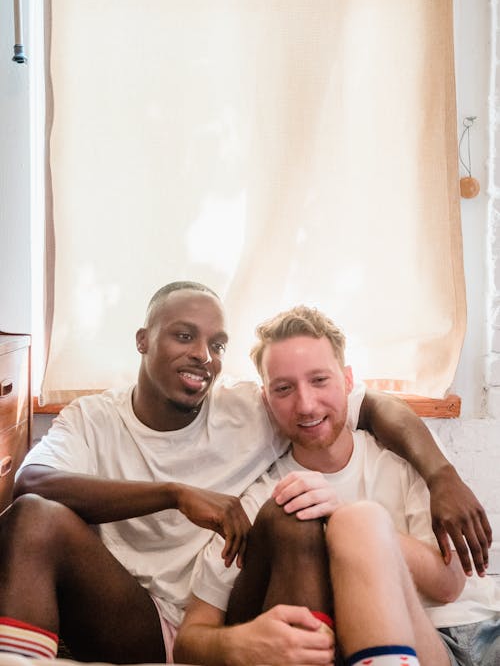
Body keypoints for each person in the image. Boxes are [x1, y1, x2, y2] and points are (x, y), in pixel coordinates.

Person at [0, 283, 492, 664]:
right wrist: (174, 494)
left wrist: (442, 475)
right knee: (33, 517)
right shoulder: (92, 419)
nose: (203, 355)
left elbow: (374, 406)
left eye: (217, 344)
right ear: (143, 339)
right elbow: (31, 483)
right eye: (184, 335)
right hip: (129, 614)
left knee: (315, 512)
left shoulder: (254, 409)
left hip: (244, 606)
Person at [174, 305, 500, 666]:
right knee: (355, 524)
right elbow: (189, 638)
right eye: (284, 389)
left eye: (319, 380)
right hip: (399, 648)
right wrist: (241, 642)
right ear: (266, 400)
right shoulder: (265, 499)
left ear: (347, 381)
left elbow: (450, 584)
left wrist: (345, 517)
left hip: (478, 632)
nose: (306, 404)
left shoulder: (402, 458)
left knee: (357, 522)